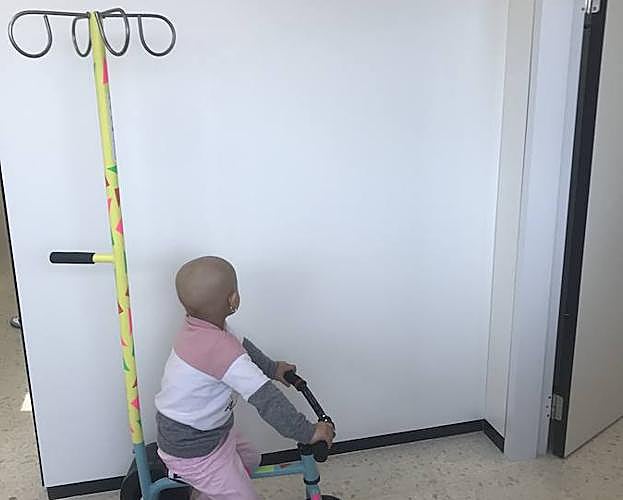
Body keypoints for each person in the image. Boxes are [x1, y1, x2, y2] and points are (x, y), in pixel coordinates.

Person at [155, 256, 334, 499]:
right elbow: (267, 400)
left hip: (212, 432)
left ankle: (216, 491)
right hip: (193, 449)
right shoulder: (220, 350)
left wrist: (272, 368)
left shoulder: (202, 328)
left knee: (250, 459)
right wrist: (308, 432)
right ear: (233, 299)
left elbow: (243, 346)